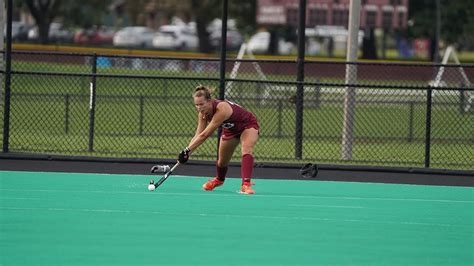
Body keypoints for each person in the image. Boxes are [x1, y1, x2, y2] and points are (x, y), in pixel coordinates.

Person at [177, 85, 260, 194]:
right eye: (196, 105)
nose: (199, 108)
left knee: (246, 149)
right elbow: (198, 134)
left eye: (201, 104)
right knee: (222, 162)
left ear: (209, 101)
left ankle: (246, 185)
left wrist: (187, 150)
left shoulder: (221, 108)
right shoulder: (202, 114)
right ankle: (219, 180)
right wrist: (186, 152)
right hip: (230, 130)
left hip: (247, 125)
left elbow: (205, 134)